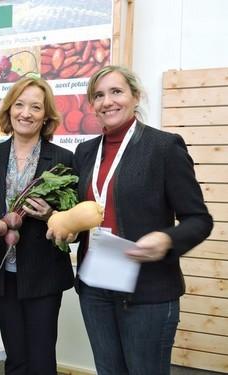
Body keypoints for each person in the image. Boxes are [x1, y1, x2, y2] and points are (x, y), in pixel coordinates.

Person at [48, 65, 213, 375]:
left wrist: (167, 240)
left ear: (135, 97)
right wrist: (69, 229)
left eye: (116, 92)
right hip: (95, 285)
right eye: (98, 95)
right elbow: (85, 212)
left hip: (147, 287)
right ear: (92, 104)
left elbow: (199, 219)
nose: (107, 101)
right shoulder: (84, 152)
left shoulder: (164, 147)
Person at [0, 77, 74, 375]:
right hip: (3, 275)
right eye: (19, 104)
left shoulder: (63, 159)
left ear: (46, 116)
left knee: (42, 360)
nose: (25, 113)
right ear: (9, 109)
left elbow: (73, 224)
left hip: (44, 273)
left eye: (35, 107)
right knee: (15, 358)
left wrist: (50, 215)